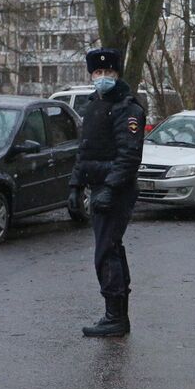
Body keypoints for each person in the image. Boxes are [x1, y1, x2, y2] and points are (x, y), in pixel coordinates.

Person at [70, 47, 146, 338]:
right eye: (98, 72)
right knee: (110, 249)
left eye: (109, 72)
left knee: (106, 252)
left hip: (116, 191)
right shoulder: (93, 104)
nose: (103, 77)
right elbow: (85, 151)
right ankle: (116, 315)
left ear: (117, 74)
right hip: (98, 186)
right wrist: (75, 186)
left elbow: (129, 155)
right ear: (91, 75)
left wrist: (111, 190)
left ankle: (115, 317)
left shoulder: (128, 108)